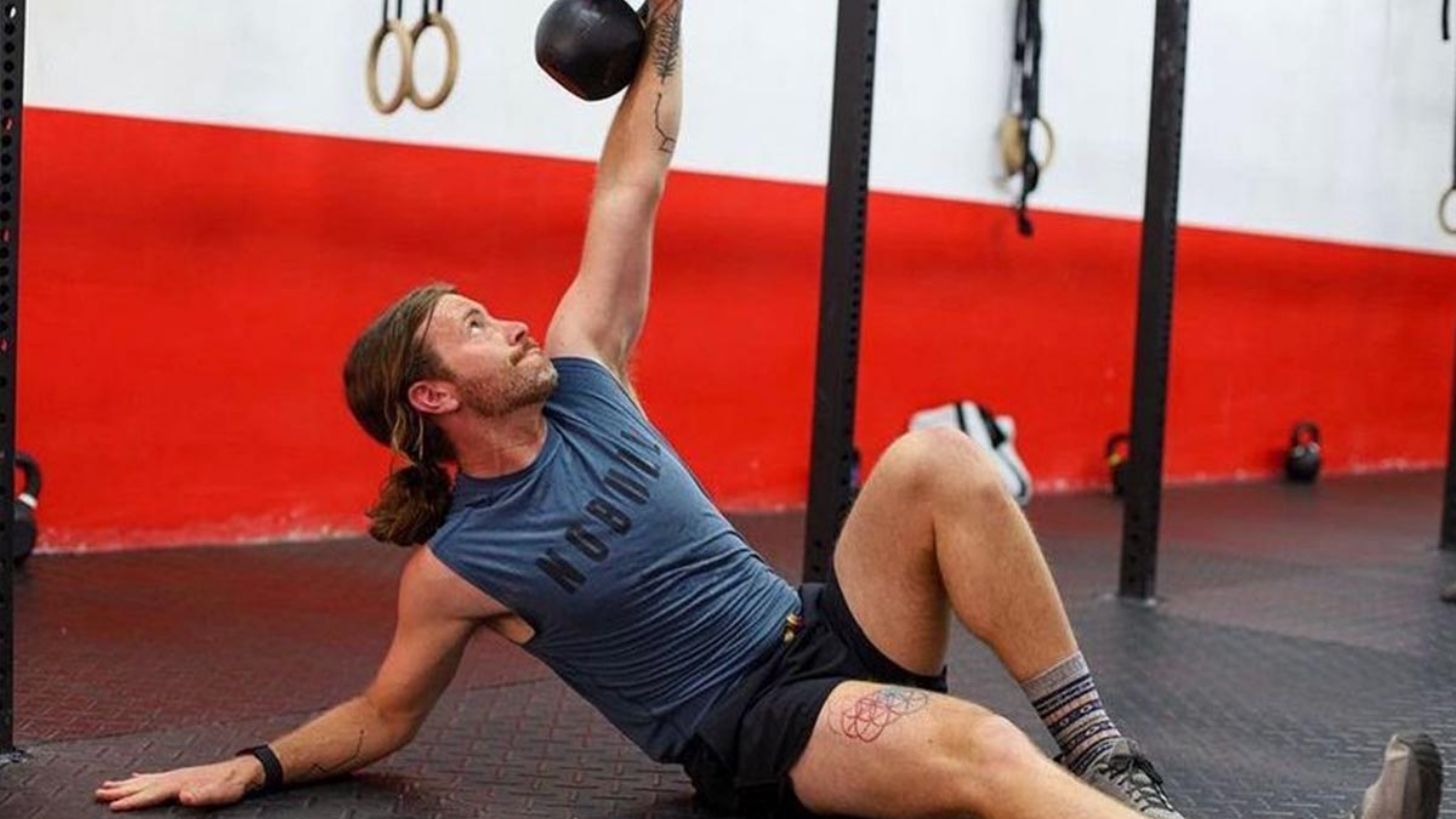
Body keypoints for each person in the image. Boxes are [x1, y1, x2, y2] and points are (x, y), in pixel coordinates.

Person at [95, 4, 1443, 817]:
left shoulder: (588, 375)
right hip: (759, 734)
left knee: (934, 460)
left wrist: (667, 12)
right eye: (474, 323)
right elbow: (386, 718)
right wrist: (251, 768)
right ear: (436, 396)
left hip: (822, 630)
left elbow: (633, 181)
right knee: (974, 748)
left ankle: (1106, 760)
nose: (512, 321)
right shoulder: (459, 570)